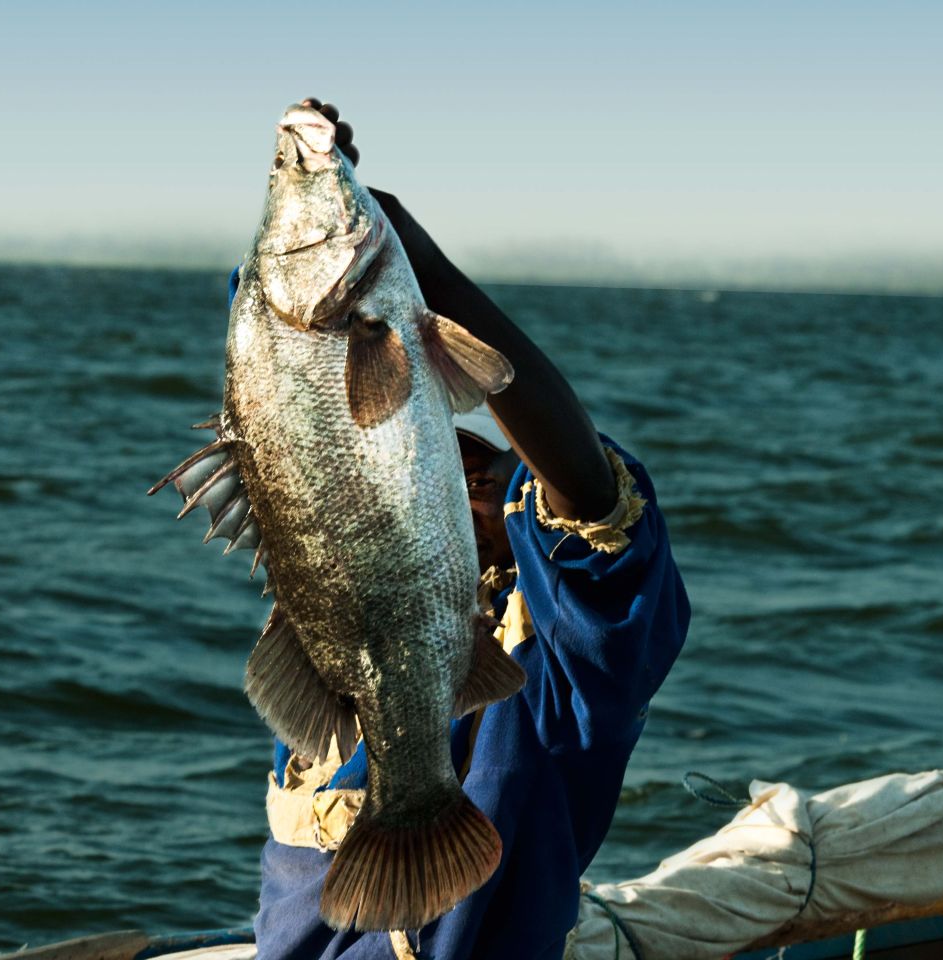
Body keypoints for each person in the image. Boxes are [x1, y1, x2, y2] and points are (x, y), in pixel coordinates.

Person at [243, 99, 690, 960]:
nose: (463, 472)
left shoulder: (569, 667)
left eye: (490, 468)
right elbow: (282, 381)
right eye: (439, 457)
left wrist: (424, 268)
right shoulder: (335, 643)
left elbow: (593, 502)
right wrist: (321, 219)